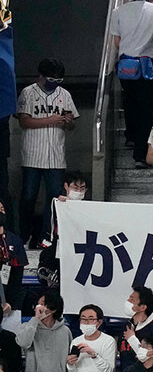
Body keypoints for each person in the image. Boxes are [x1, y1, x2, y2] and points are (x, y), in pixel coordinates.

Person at [16, 59, 78, 246]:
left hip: (56, 156)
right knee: (28, 197)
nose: (55, 83)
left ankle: (47, 236)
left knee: (54, 198)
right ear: (41, 76)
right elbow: (24, 121)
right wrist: (50, 119)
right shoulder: (28, 92)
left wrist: (68, 122)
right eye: (51, 79)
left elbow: (72, 124)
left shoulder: (64, 94)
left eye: (58, 80)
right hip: (33, 154)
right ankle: (23, 236)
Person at [111, 0, 153, 168]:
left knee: (129, 101)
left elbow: (117, 41)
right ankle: (141, 154)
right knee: (146, 108)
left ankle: (130, 136)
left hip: (126, 65)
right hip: (147, 65)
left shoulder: (118, 12)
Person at [15, 292, 72, 372]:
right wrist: (35, 320)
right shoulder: (28, 326)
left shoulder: (65, 331)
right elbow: (23, 342)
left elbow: (69, 362)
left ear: (53, 308)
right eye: (38, 303)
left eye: (43, 304)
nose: (39, 307)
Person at [65, 304, 116, 372]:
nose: (86, 322)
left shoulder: (108, 341)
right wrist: (70, 364)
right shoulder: (76, 341)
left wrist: (94, 355)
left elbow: (108, 371)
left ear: (99, 322)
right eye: (83, 319)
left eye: (91, 319)